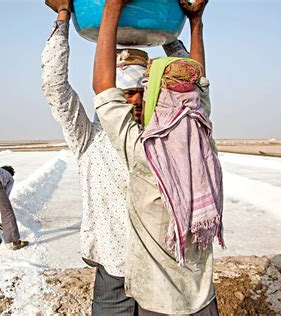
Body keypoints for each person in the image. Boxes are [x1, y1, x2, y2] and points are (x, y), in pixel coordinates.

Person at [41, 1, 194, 314]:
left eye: (141, 91)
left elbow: (190, 87)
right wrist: (63, 18)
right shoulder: (89, 138)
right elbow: (55, 87)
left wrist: (170, 30)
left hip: (163, 270)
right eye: (125, 92)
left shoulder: (163, 137)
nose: (134, 101)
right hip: (114, 272)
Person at [92, 0, 223, 314]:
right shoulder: (201, 138)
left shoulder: (143, 152)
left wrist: (112, 7)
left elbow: (103, 88)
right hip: (202, 299)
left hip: (159, 303)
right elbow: (196, 82)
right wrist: (195, 22)